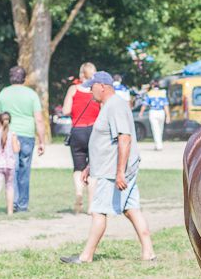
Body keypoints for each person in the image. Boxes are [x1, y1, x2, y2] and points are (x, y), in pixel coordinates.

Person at [60, 71, 155, 264]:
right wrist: (89, 166)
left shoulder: (115, 106)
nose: (90, 91)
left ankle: (86, 256)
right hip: (109, 167)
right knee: (131, 209)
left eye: (92, 87)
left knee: (98, 212)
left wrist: (120, 172)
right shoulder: (109, 105)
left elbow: (124, 139)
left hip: (113, 171)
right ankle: (149, 252)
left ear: (102, 86)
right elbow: (104, 142)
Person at [0, 66, 46, 212]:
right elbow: (39, 120)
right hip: (27, 135)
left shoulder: (4, 93)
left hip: (9, 135)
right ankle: (22, 204)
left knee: (12, 169)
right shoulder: (31, 94)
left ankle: (14, 202)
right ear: (24, 78)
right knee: (24, 170)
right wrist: (42, 141)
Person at [61, 62, 101, 213]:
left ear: (81, 74)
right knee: (94, 168)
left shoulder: (73, 89)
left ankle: (79, 193)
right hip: (93, 131)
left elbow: (65, 110)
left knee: (78, 167)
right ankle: (91, 205)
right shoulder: (96, 91)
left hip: (77, 131)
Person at [138, 80, 171, 151]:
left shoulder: (149, 93)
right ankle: (158, 144)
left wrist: (141, 112)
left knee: (155, 129)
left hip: (153, 112)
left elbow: (145, 104)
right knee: (160, 129)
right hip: (161, 112)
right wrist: (168, 116)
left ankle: (158, 145)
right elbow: (166, 105)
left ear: (152, 86)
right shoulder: (162, 93)